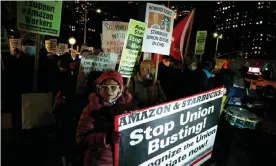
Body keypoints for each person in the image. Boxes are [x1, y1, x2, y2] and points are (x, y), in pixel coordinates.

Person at [76, 70, 134, 166]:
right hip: (100, 162)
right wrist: (106, 138)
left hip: (122, 159)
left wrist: (134, 118)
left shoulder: (127, 106)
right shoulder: (91, 109)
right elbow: (81, 139)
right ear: (99, 89)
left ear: (120, 89)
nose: (109, 91)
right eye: (104, 87)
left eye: (113, 87)